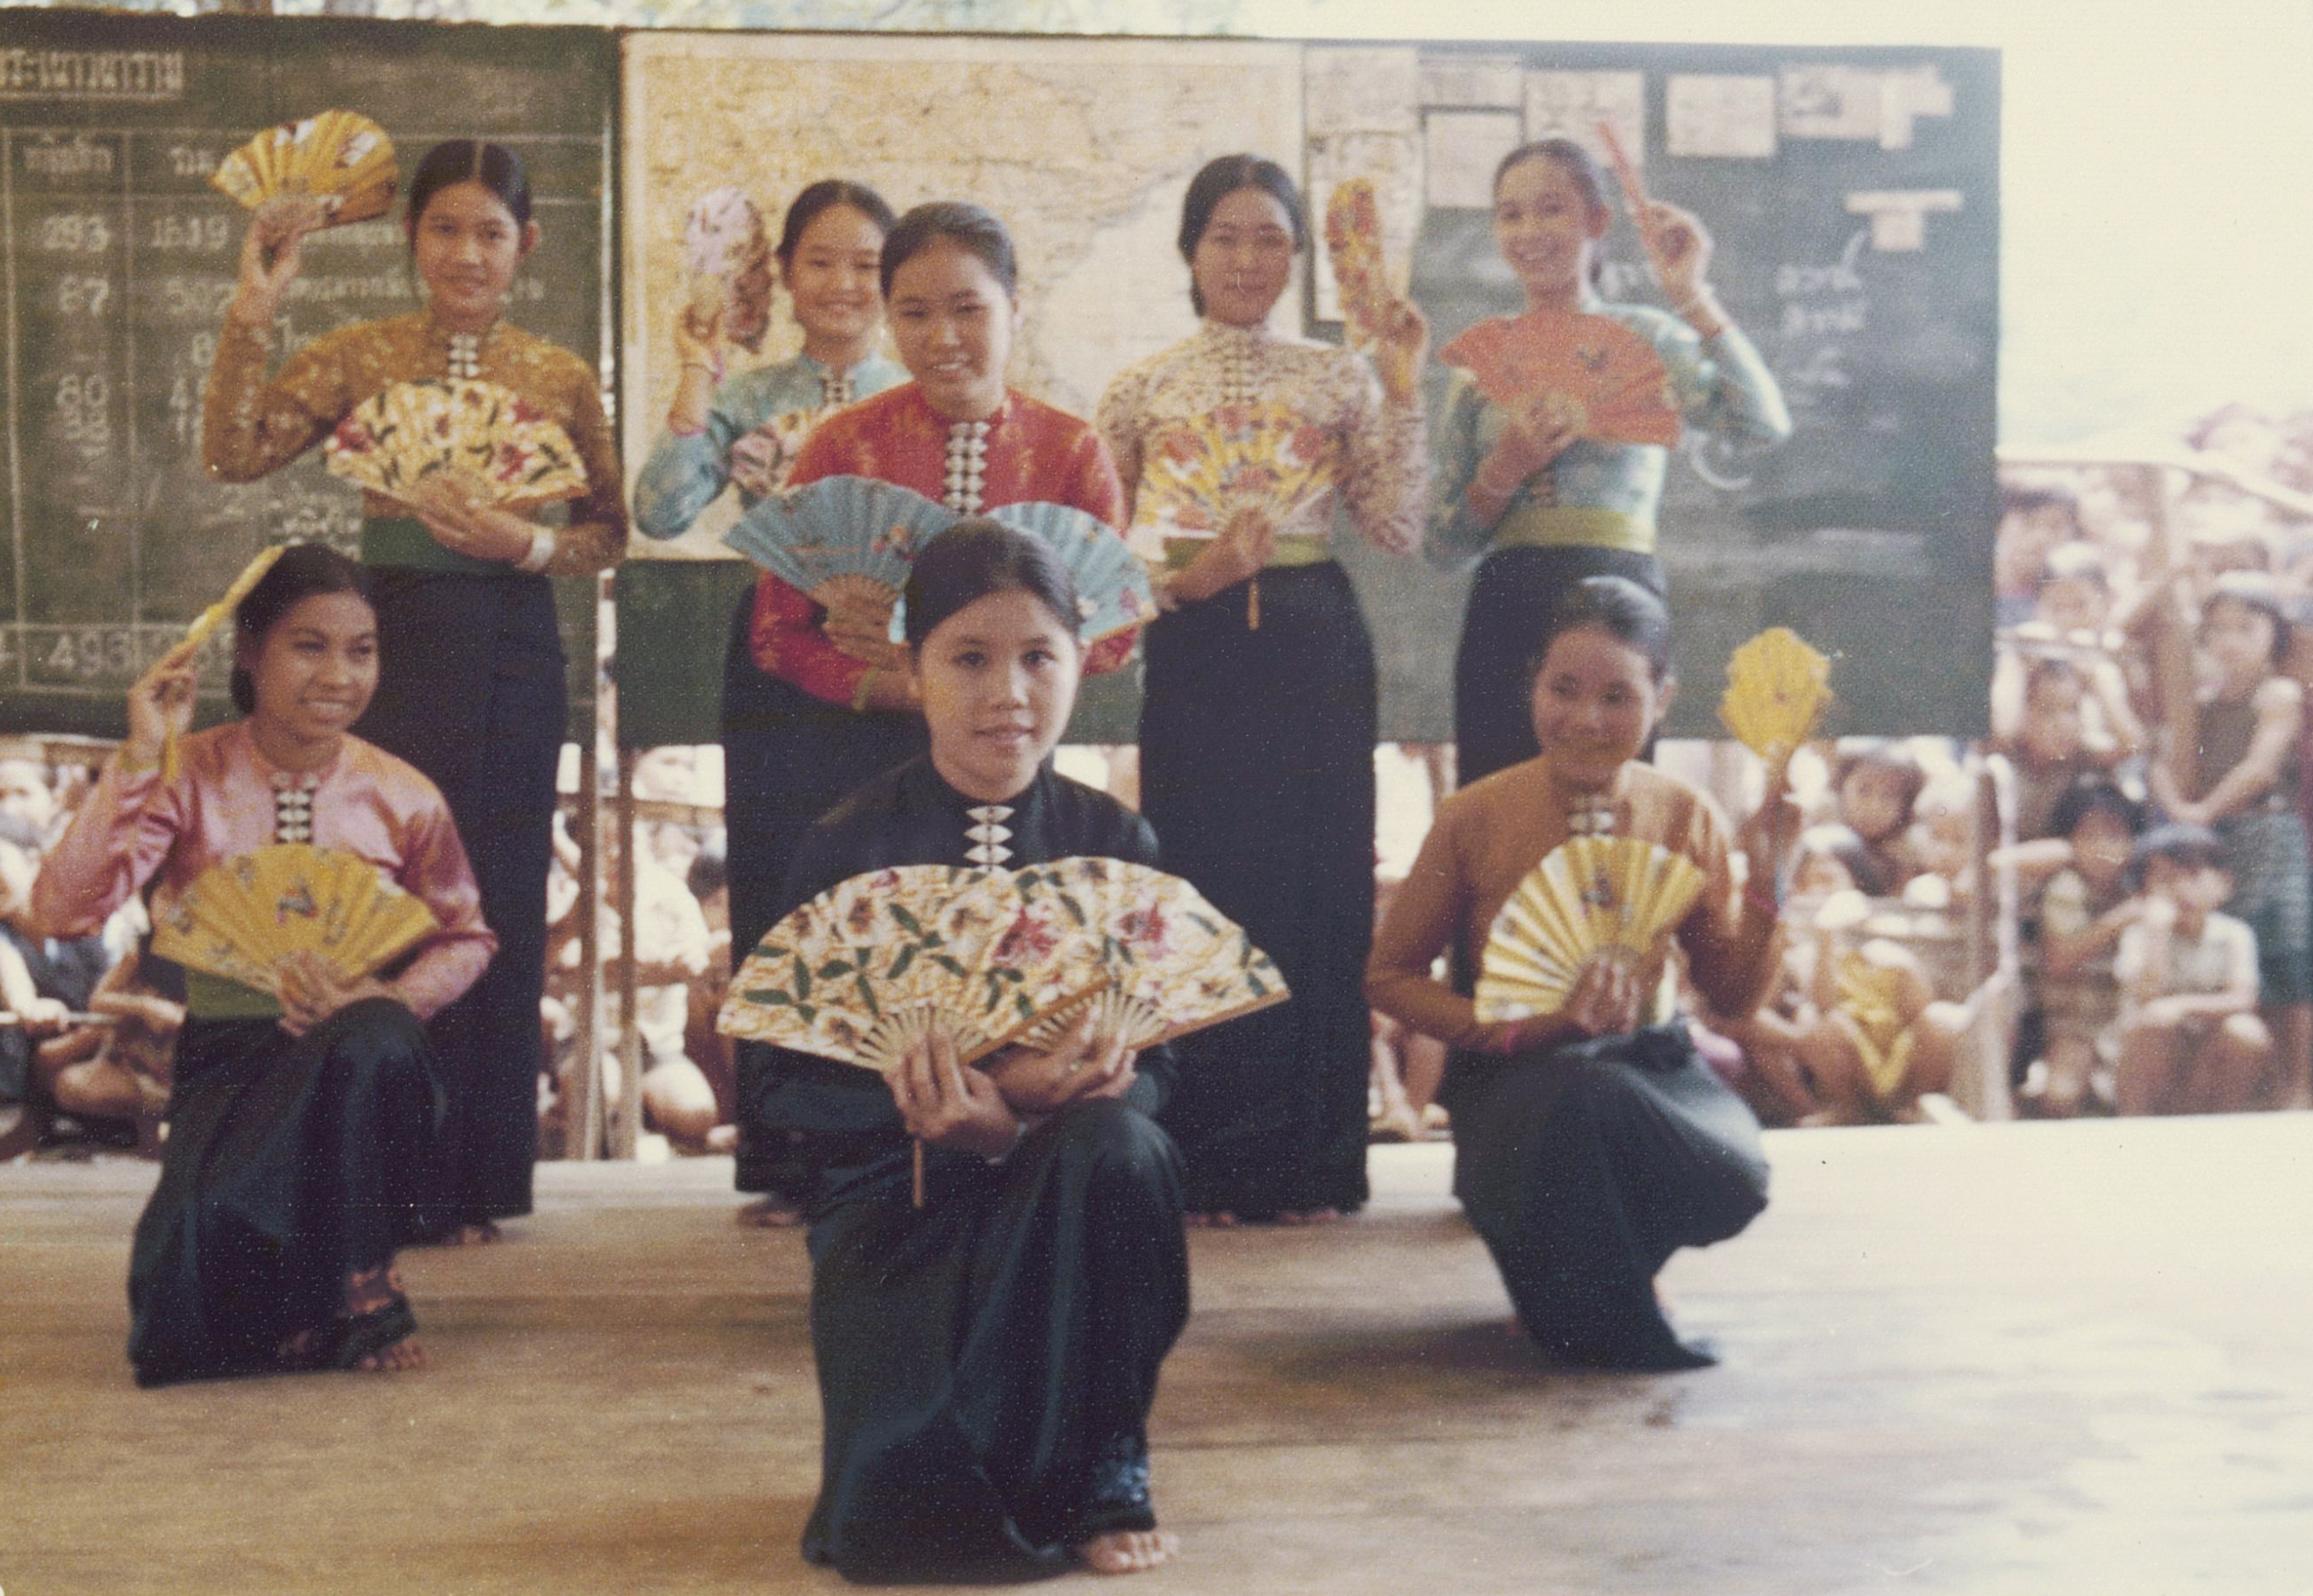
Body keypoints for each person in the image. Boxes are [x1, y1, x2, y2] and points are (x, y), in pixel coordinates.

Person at [202, 140, 624, 1242]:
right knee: (380, 896)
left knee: (494, 902)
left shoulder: (559, 374)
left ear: (525, 245)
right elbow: (233, 453)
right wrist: (255, 311)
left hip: (514, 650)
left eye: (489, 232)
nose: (465, 255)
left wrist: (523, 539)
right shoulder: (358, 354)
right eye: (443, 229)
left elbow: (608, 534)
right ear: (410, 239)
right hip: (381, 649)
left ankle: (479, 1183)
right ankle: (380, 1175)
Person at [755, 522, 1184, 1580]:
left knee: (1120, 1148)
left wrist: (1041, 1112)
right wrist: (928, 1109)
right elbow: (774, 1083)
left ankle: (1106, 1465)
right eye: (969, 659)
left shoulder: (1115, 844)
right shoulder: (846, 845)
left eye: (1040, 657)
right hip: (893, 1200)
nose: (1009, 694)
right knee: (900, 1529)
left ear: (1081, 663)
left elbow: (1167, 1065)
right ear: (911, 669)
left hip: (1065, 1197)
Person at [734, 200, 1135, 1220]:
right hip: (861, 762)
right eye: (912, 313)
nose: (941, 337)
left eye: (967, 309)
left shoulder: (1073, 449)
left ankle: (1034, 1141)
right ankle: (852, 1162)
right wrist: (899, 684)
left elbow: (1117, 628)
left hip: (1011, 761)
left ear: (1013, 306)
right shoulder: (842, 441)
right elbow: (778, 634)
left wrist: (989, 685)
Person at [32, 545, 495, 1385]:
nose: (340, 675)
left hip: (367, 1059)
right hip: (232, 1061)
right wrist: (140, 756)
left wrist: (380, 992)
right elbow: (64, 911)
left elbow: (468, 937)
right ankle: (303, 1302)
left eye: (362, 650)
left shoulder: (406, 795)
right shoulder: (188, 773)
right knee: (176, 1334)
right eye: (308, 645)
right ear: (248, 651)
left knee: (375, 1036)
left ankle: (363, 1284)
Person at [1097, 154, 1428, 1222]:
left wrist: (1407, 380)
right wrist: (1187, 581)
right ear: (1189, 251)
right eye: (1224, 237)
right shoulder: (1138, 388)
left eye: (1269, 239)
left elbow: (1397, 524)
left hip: (1313, 644)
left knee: (1318, 892)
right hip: (1196, 638)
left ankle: (1312, 1164)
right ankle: (1200, 1161)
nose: (1247, 259)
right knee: (1200, 887)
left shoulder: (1341, 377)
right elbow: (1099, 567)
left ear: (1299, 256)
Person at [1366, 576, 1793, 1370]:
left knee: (1732, 1170)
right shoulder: (1476, 815)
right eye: (1563, 689)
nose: (1586, 720)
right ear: (1532, 685)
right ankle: (1594, 1297)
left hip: (1652, 1071)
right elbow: (1389, 977)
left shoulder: (1685, 814)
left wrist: (1771, 885)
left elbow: (1732, 999)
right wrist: (1509, 1028)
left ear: (1663, 700)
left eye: (1617, 697)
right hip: (1518, 1077)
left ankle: (1611, 1278)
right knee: (1576, 1096)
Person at [632, 179, 907, 1218]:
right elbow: (659, 510)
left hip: (889, 669)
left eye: (866, 266)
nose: (842, 284)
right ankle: (790, 1155)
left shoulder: (914, 392)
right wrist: (699, 381)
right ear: (784, 276)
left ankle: (889, 1141)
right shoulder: (749, 396)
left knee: (884, 894)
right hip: (773, 662)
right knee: (781, 892)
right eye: (820, 261)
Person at [1428, 139, 1790, 786]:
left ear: (1596, 222)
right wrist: (1505, 468)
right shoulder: (1478, 368)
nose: (1530, 231)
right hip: (1508, 605)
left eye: (1551, 210)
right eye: (1511, 215)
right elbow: (1442, 544)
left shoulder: (1648, 336)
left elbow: (1762, 424)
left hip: (1620, 598)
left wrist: (1691, 295)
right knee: (1499, 818)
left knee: (1609, 821)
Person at [2148, 574, 2312, 1107]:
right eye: (2218, 629)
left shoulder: (2277, 693)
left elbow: (2260, 769)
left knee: (2289, 957)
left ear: (2274, 633)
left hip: (2269, 831)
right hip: (2220, 842)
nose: (2231, 640)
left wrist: (2195, 812)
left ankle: (2300, 1088)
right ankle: (2252, 1084)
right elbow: (2172, 762)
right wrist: (2176, 802)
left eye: (2246, 627)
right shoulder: (2203, 702)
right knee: (2241, 956)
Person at [2114, 824, 2270, 1115]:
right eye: (2166, 878)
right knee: (2153, 1024)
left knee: (2247, 1032)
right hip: (2154, 1057)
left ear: (2224, 883)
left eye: (2193, 876)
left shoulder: (2234, 933)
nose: (2181, 888)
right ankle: (2137, 1123)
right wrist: (2157, 935)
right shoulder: (2139, 935)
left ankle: (2222, 1124)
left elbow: (2242, 999)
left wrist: (2181, 1006)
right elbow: (2147, 997)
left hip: (2205, 1054)